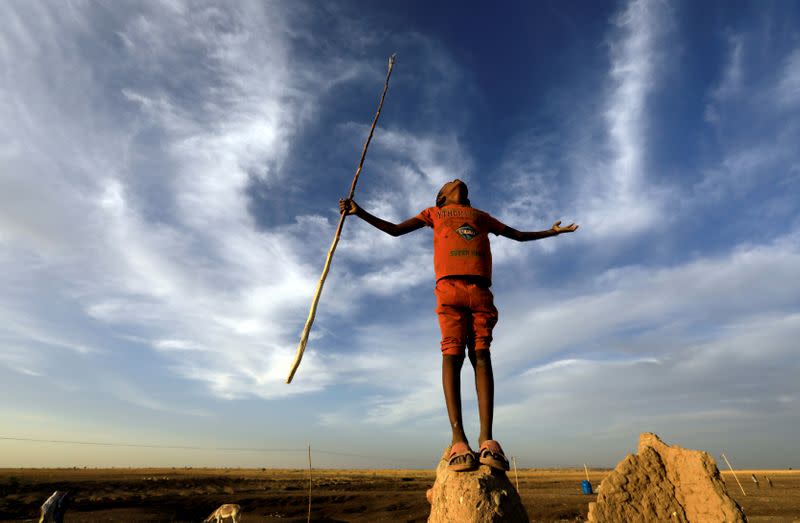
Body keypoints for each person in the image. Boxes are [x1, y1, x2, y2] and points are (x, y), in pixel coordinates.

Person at [339, 179, 578, 472]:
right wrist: (359, 211)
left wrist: (551, 233)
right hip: (449, 289)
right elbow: (396, 230)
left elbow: (516, 235)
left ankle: (487, 440)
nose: (456, 181)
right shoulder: (433, 214)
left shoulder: (481, 217)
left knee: (481, 355)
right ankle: (458, 440)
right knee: (452, 354)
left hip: (480, 291)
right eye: (449, 183)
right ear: (441, 197)